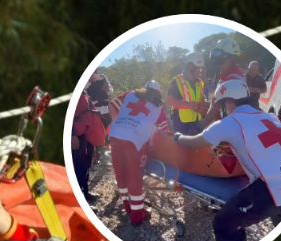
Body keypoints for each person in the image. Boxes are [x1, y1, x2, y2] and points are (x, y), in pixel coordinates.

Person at [174, 79, 281, 241]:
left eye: (223, 105)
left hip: (275, 188)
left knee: (223, 223)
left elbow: (193, 143)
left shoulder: (229, 123)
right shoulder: (268, 116)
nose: (224, 110)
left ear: (229, 102)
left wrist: (177, 137)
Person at [107, 80, 169, 225]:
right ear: (158, 93)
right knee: (134, 178)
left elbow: (111, 105)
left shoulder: (130, 94)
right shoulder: (158, 106)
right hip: (134, 142)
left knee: (120, 173)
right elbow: (163, 131)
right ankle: (137, 217)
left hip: (115, 136)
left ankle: (127, 207)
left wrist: (119, 123)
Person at [71, 91, 106, 203]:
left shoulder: (84, 92)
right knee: (78, 166)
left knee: (86, 164)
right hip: (77, 135)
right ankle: (79, 196)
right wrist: (72, 135)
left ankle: (84, 192)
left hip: (87, 133)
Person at [204, 37, 245, 124]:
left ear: (232, 60)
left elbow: (215, 108)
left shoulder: (234, 81)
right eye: (216, 61)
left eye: (220, 61)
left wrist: (198, 127)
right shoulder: (225, 76)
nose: (218, 65)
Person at [167, 52, 209, 135]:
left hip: (196, 121)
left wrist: (205, 105)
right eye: (198, 68)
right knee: (183, 147)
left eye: (201, 69)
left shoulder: (200, 83)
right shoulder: (177, 81)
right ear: (190, 67)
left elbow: (201, 99)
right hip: (181, 123)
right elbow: (170, 101)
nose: (200, 71)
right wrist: (189, 105)